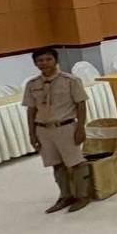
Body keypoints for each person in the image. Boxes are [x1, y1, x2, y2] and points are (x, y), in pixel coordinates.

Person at [22, 46, 90, 213]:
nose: (44, 63)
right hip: (43, 130)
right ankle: (65, 195)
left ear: (56, 60)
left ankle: (82, 196)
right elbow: (31, 110)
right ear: (35, 63)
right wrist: (32, 133)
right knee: (56, 164)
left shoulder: (70, 80)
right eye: (40, 60)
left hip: (65, 127)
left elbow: (81, 105)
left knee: (76, 163)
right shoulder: (32, 84)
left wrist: (80, 128)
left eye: (48, 59)